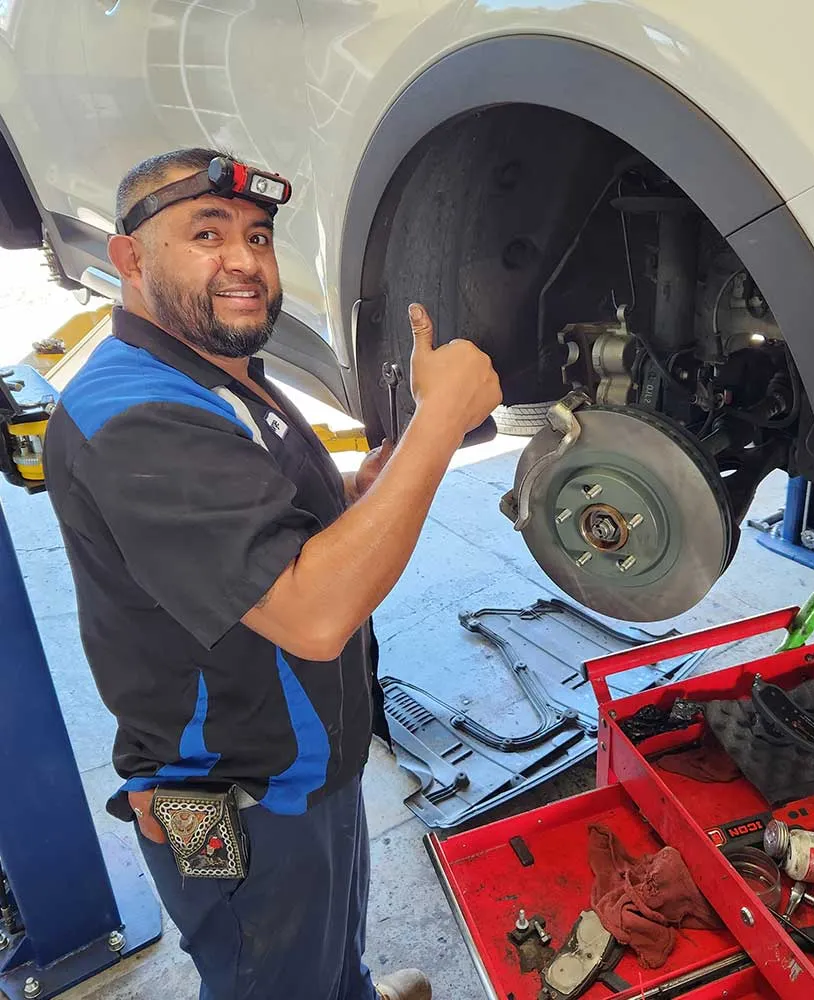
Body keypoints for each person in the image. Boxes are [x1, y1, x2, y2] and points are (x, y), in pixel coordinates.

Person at [43, 147, 502, 1000]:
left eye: (258, 235)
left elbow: (275, 529)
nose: (245, 260)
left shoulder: (214, 374)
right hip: (238, 804)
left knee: (327, 945)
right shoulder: (133, 416)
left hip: (304, 765)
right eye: (206, 233)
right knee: (268, 971)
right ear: (130, 258)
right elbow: (313, 611)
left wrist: (369, 492)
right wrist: (440, 424)